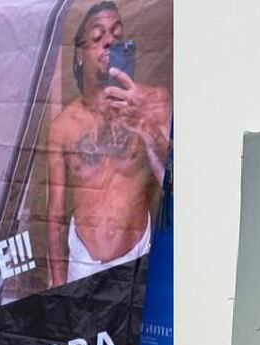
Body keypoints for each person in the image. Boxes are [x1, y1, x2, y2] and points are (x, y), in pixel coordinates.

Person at [47, 0, 171, 286]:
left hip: (137, 257)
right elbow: (53, 215)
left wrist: (147, 128)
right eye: (98, 37)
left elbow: (177, 183)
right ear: (79, 54)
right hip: (82, 262)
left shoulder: (155, 101)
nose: (109, 43)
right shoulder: (63, 126)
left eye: (117, 35)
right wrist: (56, 281)